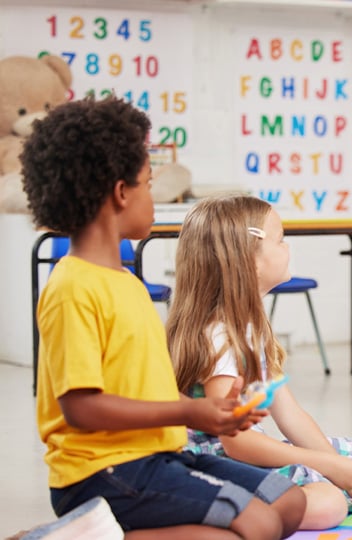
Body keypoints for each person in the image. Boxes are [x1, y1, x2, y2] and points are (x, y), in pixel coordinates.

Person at [22, 96, 306, 538]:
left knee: (289, 501)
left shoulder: (127, 282)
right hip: (103, 471)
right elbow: (79, 408)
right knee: (259, 524)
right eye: (148, 184)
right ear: (121, 193)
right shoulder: (73, 287)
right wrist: (192, 412)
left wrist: (218, 411)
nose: (153, 197)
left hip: (158, 453)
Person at [168, 195, 352, 530]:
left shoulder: (250, 327)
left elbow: (289, 413)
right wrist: (325, 468)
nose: (287, 248)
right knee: (328, 504)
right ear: (250, 261)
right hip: (213, 463)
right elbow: (236, 442)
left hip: (244, 454)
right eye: (280, 240)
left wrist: (334, 465)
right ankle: (224, 516)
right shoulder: (220, 338)